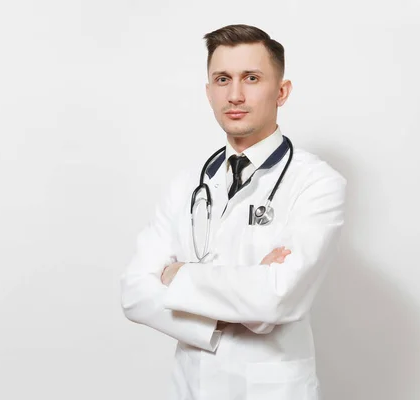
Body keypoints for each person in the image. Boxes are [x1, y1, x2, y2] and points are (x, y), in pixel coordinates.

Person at [120, 24, 347, 400]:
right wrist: (239, 304)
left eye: (252, 78)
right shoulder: (186, 185)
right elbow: (134, 293)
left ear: (282, 91)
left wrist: (177, 275)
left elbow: (276, 297)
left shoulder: (318, 183)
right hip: (190, 386)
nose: (235, 94)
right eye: (222, 79)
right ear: (209, 93)